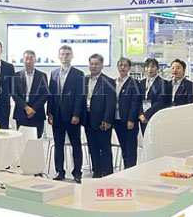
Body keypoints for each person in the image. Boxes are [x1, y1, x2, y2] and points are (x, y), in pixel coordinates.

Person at [48, 45, 85, 183]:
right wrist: (49, 112)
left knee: (76, 144)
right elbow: (51, 95)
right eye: (62, 54)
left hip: (72, 116)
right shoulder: (53, 73)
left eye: (68, 54)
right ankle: (59, 171)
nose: (65, 56)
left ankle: (77, 172)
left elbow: (80, 96)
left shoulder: (79, 74)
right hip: (57, 115)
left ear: (72, 56)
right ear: (59, 56)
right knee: (58, 145)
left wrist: (77, 114)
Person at [83, 53, 116, 178]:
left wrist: (107, 119)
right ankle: (96, 171)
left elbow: (111, 102)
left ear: (102, 65)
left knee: (105, 147)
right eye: (91, 64)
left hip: (102, 120)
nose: (93, 66)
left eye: (96, 64)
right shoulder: (84, 80)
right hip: (87, 118)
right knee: (93, 147)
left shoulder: (108, 81)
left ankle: (108, 173)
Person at [112, 57, 142, 170]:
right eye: (120, 65)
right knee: (123, 146)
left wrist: (131, 119)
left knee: (131, 147)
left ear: (129, 68)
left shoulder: (134, 83)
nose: (122, 67)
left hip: (129, 120)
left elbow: (135, 102)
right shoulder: (113, 82)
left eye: (125, 65)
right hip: (117, 119)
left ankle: (131, 170)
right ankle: (126, 169)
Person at [11, 50, 48, 138]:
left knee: (37, 140)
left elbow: (45, 94)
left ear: (35, 60)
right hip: (21, 112)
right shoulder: (16, 76)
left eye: (31, 59)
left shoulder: (42, 75)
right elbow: (14, 94)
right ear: (23, 60)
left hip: (37, 113)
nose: (28, 61)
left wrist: (33, 109)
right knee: (21, 140)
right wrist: (26, 107)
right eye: (26, 59)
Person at [138, 58, 171, 134]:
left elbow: (161, 101)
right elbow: (138, 100)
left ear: (157, 68)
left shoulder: (163, 83)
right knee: (145, 138)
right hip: (142, 118)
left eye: (152, 66)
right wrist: (140, 114)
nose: (149, 69)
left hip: (155, 116)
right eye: (147, 67)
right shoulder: (142, 83)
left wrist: (146, 115)